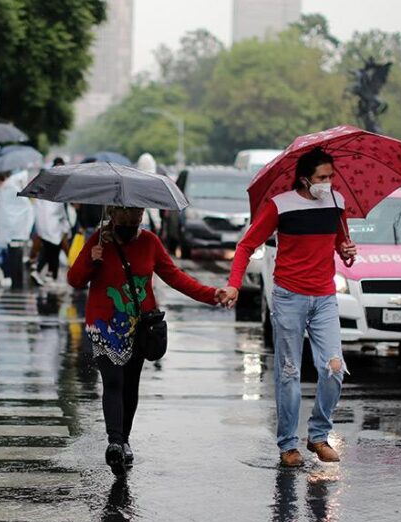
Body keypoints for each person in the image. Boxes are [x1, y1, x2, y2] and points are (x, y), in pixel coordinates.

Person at [221, 149, 358, 467]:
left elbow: (342, 246)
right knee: (289, 373)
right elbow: (246, 245)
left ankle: (318, 435)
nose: (328, 183)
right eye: (322, 178)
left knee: (334, 369)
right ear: (305, 179)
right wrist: (234, 283)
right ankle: (287, 445)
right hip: (289, 298)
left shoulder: (336, 203)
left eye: (331, 177)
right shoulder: (280, 205)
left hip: (324, 297)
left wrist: (348, 250)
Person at [67, 206, 225, 475]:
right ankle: (115, 443)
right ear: (114, 214)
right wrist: (91, 259)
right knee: (113, 381)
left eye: (138, 213)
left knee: (130, 384)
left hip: (138, 326)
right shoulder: (99, 239)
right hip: (104, 326)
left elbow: (176, 277)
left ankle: (124, 439)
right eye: (128, 214)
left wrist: (212, 295)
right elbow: (74, 280)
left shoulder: (150, 242)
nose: (134, 218)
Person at [0, 170, 35, 287]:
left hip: (11, 231)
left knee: (14, 256)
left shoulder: (6, 189)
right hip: (16, 231)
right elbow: (25, 207)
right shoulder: (13, 189)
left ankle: (16, 280)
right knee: (16, 257)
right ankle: (17, 281)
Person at [33, 196, 70, 284]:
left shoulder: (42, 199)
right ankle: (48, 274)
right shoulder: (56, 200)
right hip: (54, 229)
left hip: (47, 229)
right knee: (51, 251)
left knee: (49, 251)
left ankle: (48, 273)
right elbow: (61, 214)